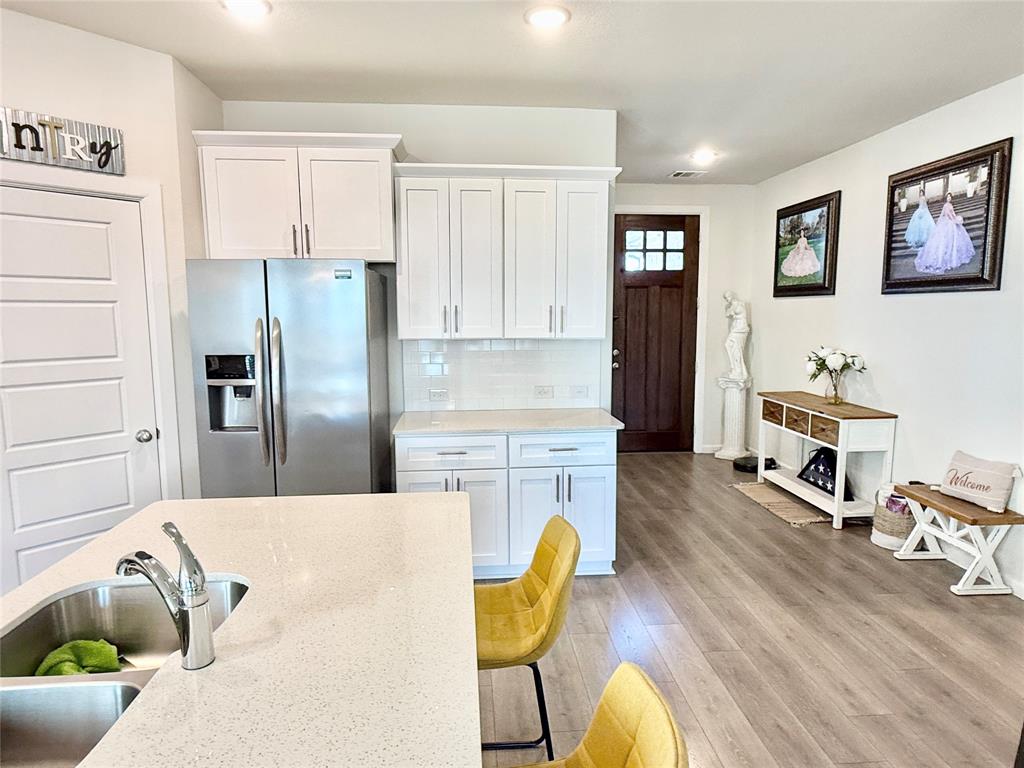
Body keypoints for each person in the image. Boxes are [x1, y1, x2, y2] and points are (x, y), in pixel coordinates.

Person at [914, 192, 975, 274]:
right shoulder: (946, 205)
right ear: (946, 198)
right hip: (947, 222)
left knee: (956, 236)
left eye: (950, 197)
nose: (949, 198)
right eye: (948, 197)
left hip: (951, 220)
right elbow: (947, 214)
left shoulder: (951, 205)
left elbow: (953, 213)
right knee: (945, 240)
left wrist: (956, 218)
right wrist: (953, 219)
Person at [903, 185, 935, 250]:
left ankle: (923, 240)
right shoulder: (920, 198)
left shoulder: (923, 198)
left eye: (922, 192)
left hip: (923, 210)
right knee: (917, 225)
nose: (921, 193)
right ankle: (917, 241)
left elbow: (924, 205)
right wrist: (919, 211)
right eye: (920, 192)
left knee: (923, 225)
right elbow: (920, 205)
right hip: (919, 210)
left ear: (923, 193)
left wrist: (923, 212)